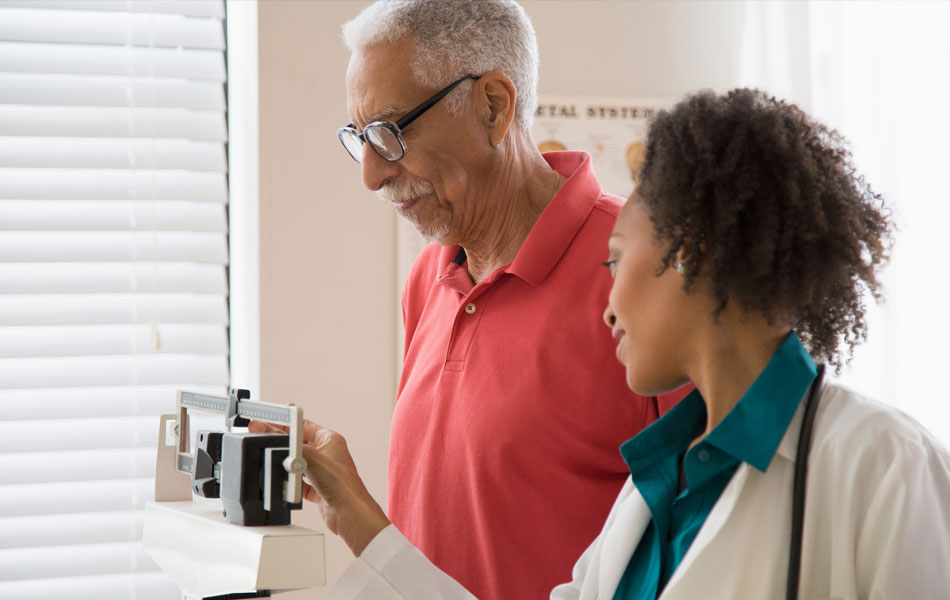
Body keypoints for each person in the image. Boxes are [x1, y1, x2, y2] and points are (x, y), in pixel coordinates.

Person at [264, 88, 950, 598]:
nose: (608, 305)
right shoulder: (653, 491)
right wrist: (358, 522)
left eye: (616, 259)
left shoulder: (882, 463)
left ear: (692, 255)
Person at [331, 1, 689, 598]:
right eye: (359, 137)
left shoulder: (647, 274)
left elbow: (709, 540)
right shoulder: (428, 278)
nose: (370, 174)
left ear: (493, 106)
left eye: (390, 133)